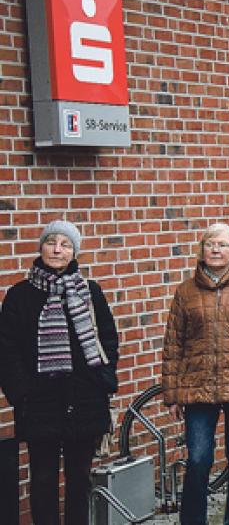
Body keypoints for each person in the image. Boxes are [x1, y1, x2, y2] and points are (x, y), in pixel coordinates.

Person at [0, 220, 119, 525]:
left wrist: (102, 379)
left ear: (74, 252)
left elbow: (108, 338)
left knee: (79, 482)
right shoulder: (20, 296)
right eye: (51, 242)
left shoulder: (90, 292)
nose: (57, 249)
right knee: (42, 482)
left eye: (65, 244)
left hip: (85, 401)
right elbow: (7, 350)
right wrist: (22, 394)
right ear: (41, 247)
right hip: (40, 404)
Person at [162, 223, 229, 525]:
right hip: (198, 386)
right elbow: (173, 344)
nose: (215, 249)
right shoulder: (185, 292)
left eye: (223, 245)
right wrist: (172, 394)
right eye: (210, 244)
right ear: (202, 249)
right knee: (198, 459)